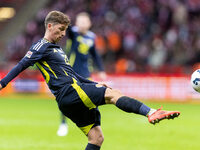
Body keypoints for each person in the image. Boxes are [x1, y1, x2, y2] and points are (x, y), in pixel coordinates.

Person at [0, 11, 180, 150]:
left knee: (96, 138)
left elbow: (73, 75)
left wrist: (94, 84)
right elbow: (21, 64)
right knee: (113, 94)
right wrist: (2, 83)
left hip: (69, 96)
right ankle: (151, 112)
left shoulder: (57, 50)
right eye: (60, 29)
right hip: (70, 93)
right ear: (49, 26)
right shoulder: (41, 46)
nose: (63, 33)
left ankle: (149, 112)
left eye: (65, 30)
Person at [57, 12, 106, 136]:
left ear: (90, 23)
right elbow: (69, 31)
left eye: (85, 22)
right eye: (80, 22)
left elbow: (95, 54)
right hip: (70, 71)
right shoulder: (73, 33)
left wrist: (101, 70)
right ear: (76, 23)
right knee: (65, 99)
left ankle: (95, 125)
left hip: (85, 72)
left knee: (92, 98)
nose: (83, 24)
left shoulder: (92, 37)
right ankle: (63, 124)